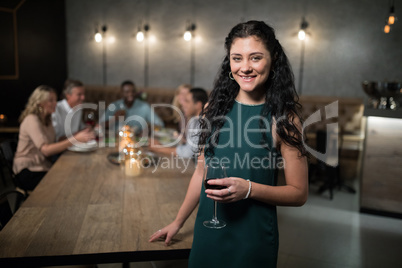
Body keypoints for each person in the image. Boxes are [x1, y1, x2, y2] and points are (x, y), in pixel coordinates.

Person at [149, 21, 308, 267]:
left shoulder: (285, 119)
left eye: (255, 58)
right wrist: (177, 222)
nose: (245, 67)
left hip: (253, 240)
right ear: (229, 62)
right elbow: (201, 172)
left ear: (273, 59)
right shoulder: (212, 110)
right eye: (237, 58)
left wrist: (248, 189)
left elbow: (299, 193)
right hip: (208, 233)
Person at [13, 85, 95, 191]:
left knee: (78, 174)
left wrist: (79, 135)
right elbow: (46, 150)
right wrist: (74, 139)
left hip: (44, 166)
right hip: (28, 171)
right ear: (39, 103)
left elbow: (56, 142)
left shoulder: (47, 120)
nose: (55, 103)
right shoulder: (32, 119)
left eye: (55, 100)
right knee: (70, 183)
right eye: (50, 100)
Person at [148, 87, 208, 158]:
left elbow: (188, 153)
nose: (183, 104)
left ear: (198, 105)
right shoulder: (194, 120)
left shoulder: (201, 123)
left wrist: (159, 148)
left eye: (187, 101)